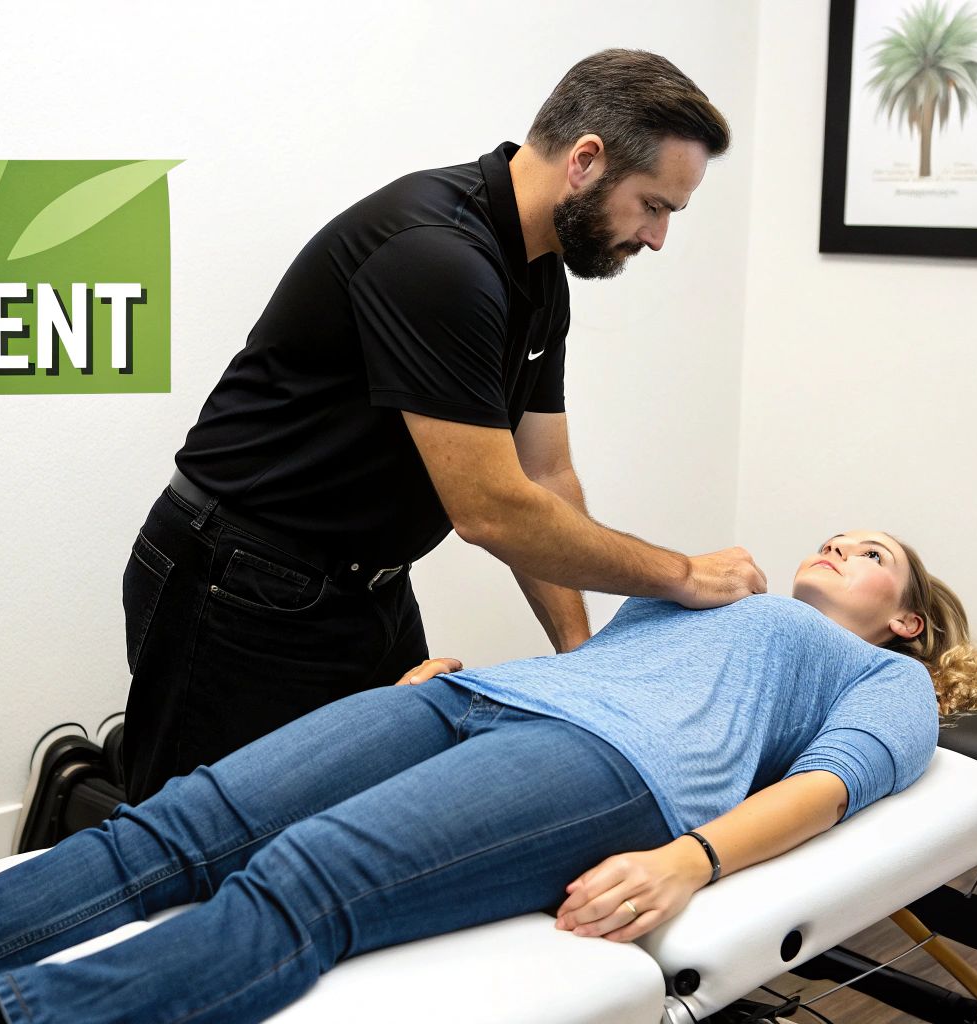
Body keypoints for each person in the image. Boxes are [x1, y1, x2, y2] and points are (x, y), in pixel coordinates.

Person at [0, 530, 977, 1024]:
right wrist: (456, 678)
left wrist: (690, 862)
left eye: (869, 548)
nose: (836, 544)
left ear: (907, 615)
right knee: (185, 817)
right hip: (481, 696)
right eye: (829, 530)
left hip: (614, 776)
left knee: (304, 882)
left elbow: (829, 790)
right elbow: (591, 634)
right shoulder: (711, 589)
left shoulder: (882, 682)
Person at [119, 49, 763, 804]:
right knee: (187, 846)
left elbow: (543, 476)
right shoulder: (437, 256)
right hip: (242, 579)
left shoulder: (537, 271)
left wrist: (581, 654)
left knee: (368, 828)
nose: (656, 238)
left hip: (369, 590)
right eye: (654, 205)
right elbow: (490, 509)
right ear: (586, 160)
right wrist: (681, 575)